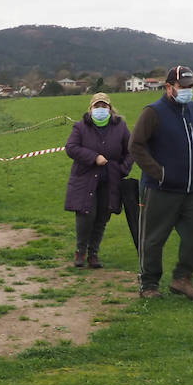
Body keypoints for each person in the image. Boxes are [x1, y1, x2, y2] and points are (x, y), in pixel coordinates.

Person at [128, 65, 193, 300]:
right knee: (153, 239)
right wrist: (159, 173)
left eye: (191, 86)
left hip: (190, 189)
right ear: (168, 87)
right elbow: (136, 146)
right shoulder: (153, 112)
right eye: (183, 87)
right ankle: (149, 284)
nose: (188, 91)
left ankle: (182, 279)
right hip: (160, 189)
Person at [63, 92, 133, 268]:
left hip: (110, 180)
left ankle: (93, 253)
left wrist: (122, 169)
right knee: (86, 215)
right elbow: (71, 148)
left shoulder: (120, 127)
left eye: (104, 106)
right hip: (85, 178)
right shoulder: (80, 127)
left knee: (102, 216)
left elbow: (131, 150)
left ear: (110, 109)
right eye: (97, 106)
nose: (100, 109)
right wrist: (94, 157)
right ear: (91, 108)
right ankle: (80, 251)